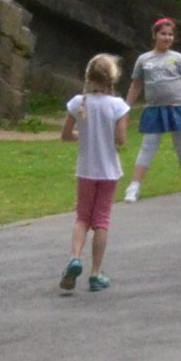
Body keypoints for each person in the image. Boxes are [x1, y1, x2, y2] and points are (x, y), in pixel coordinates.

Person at [59, 53, 130, 292]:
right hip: (109, 170)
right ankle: (96, 272)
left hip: (86, 169)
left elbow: (66, 135)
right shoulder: (118, 106)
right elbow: (121, 139)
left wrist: (85, 135)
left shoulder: (79, 103)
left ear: (89, 77)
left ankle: (74, 257)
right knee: (101, 220)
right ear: (112, 79)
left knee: (82, 217)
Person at [122, 16, 181, 203]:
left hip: (177, 108)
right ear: (155, 35)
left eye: (170, 34)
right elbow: (136, 85)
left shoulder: (179, 58)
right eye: (163, 34)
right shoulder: (144, 59)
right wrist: (125, 108)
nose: (167, 37)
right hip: (155, 109)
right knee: (148, 145)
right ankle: (134, 186)